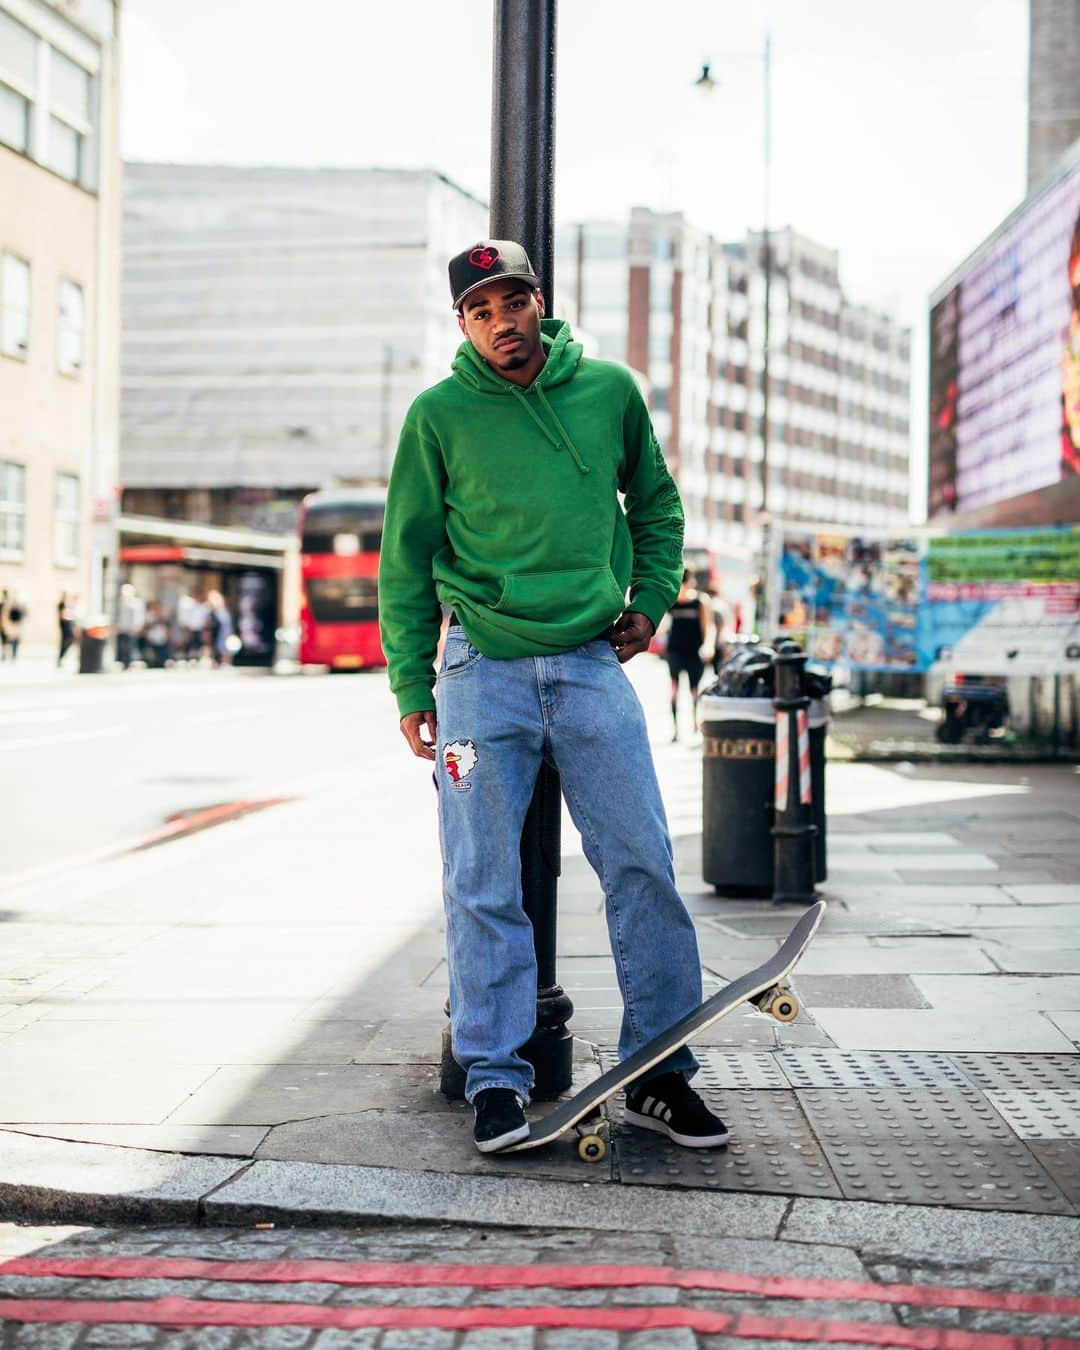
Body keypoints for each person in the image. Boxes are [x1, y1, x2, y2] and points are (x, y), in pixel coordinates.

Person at [379, 239, 729, 1155]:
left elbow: (656, 505)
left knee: (643, 863)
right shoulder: (438, 415)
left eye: (515, 300)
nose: (504, 321)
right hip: (477, 671)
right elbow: (405, 560)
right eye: (482, 308)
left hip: (588, 661)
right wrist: (411, 679)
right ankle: (496, 1077)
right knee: (481, 877)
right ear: (462, 322)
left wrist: (651, 600)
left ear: (542, 302)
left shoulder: (610, 391)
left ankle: (660, 1074)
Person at [664, 569, 710, 740]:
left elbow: (708, 627)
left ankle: (694, 723)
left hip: (693, 652)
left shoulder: (700, 602)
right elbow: (663, 624)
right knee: (674, 690)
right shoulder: (672, 601)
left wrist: (708, 646)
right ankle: (676, 730)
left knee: (695, 690)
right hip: (675, 651)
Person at [115, 583, 146, 669]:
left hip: (131, 628)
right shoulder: (120, 602)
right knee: (122, 646)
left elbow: (139, 616)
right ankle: (124, 663)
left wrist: (138, 625)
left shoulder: (136, 603)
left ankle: (129, 663)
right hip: (122, 628)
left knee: (131, 646)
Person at [205, 590, 234, 666]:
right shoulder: (212, 612)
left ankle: (225, 662)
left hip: (222, 635)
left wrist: (227, 635)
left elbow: (226, 626)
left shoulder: (222, 612)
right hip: (215, 635)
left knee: (223, 648)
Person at [1, 589, 25, 661]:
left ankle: (9, 654)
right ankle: (12, 654)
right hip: (13, 625)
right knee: (12, 640)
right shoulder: (12, 604)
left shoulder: (6, 604)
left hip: (10, 625)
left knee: (9, 640)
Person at [57, 592, 79, 667]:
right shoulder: (61, 604)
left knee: (68, 641)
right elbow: (62, 615)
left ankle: (62, 658)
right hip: (65, 625)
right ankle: (60, 658)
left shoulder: (66, 605)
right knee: (67, 641)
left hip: (67, 624)